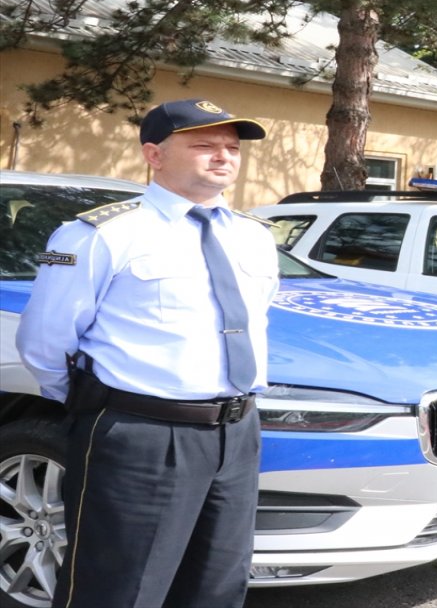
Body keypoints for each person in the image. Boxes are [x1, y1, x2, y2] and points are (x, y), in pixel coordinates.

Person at [16, 99, 277, 608]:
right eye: (204, 145)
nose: (223, 156)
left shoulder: (254, 236)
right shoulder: (98, 234)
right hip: (143, 434)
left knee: (216, 587)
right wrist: (103, 405)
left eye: (231, 147)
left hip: (237, 432)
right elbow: (44, 340)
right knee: (119, 590)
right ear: (154, 155)